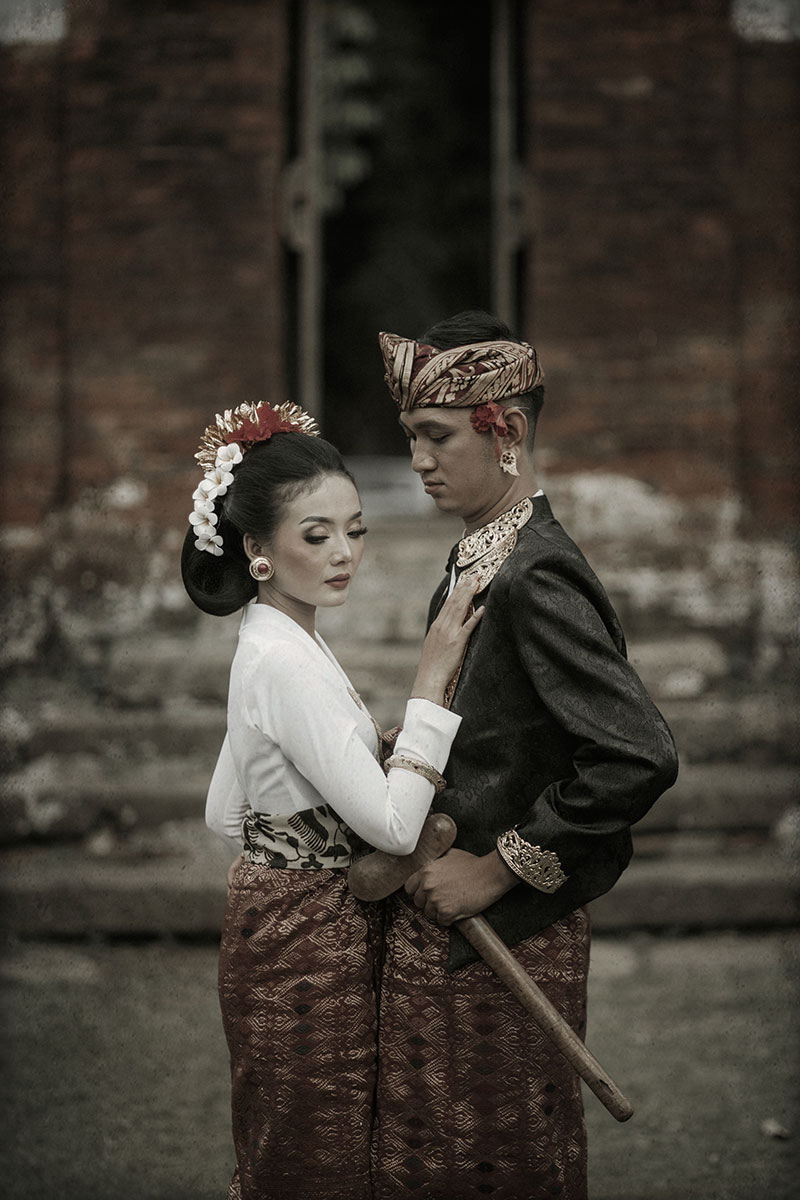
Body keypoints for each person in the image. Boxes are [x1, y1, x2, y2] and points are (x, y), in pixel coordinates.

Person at [373, 312, 679, 1200]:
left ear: (502, 429)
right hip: (452, 926)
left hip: (504, 934)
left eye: (436, 437)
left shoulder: (534, 570)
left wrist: (497, 869)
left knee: (496, 1159)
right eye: (411, 438)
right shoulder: (482, 554)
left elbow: (636, 753)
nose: (418, 461)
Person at [180, 399, 482, 1200]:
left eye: (356, 530)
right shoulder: (285, 662)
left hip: (273, 919)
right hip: (307, 941)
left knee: (297, 1144)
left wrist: (293, 846)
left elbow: (223, 811)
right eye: (317, 536)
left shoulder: (271, 641)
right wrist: (432, 679)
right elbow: (394, 824)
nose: (345, 553)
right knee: (316, 1157)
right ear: (257, 550)